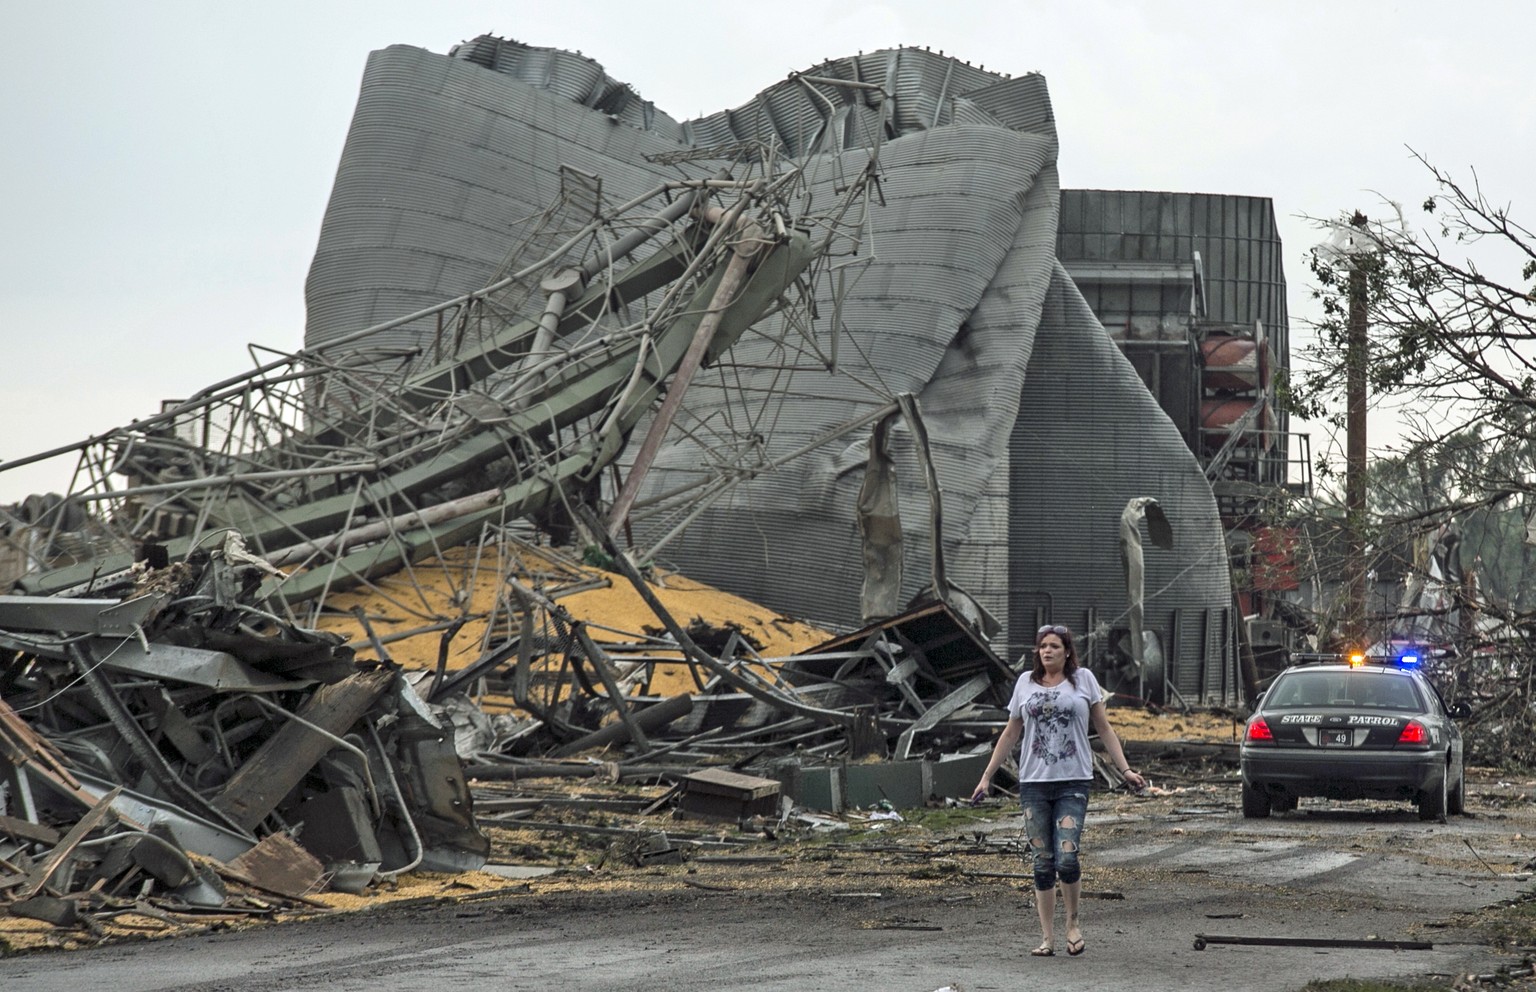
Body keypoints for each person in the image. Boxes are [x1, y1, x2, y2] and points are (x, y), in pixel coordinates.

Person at [971, 623, 1146, 957]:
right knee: (1042, 862)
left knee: (1066, 857)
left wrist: (1124, 769)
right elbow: (1010, 733)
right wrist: (986, 776)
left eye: (1053, 646)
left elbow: (1103, 727)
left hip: (1073, 781)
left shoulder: (1084, 681)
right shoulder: (1025, 683)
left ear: (1067, 651)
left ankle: (1073, 924)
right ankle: (1048, 937)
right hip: (1033, 783)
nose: (1046, 651)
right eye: (1042, 647)